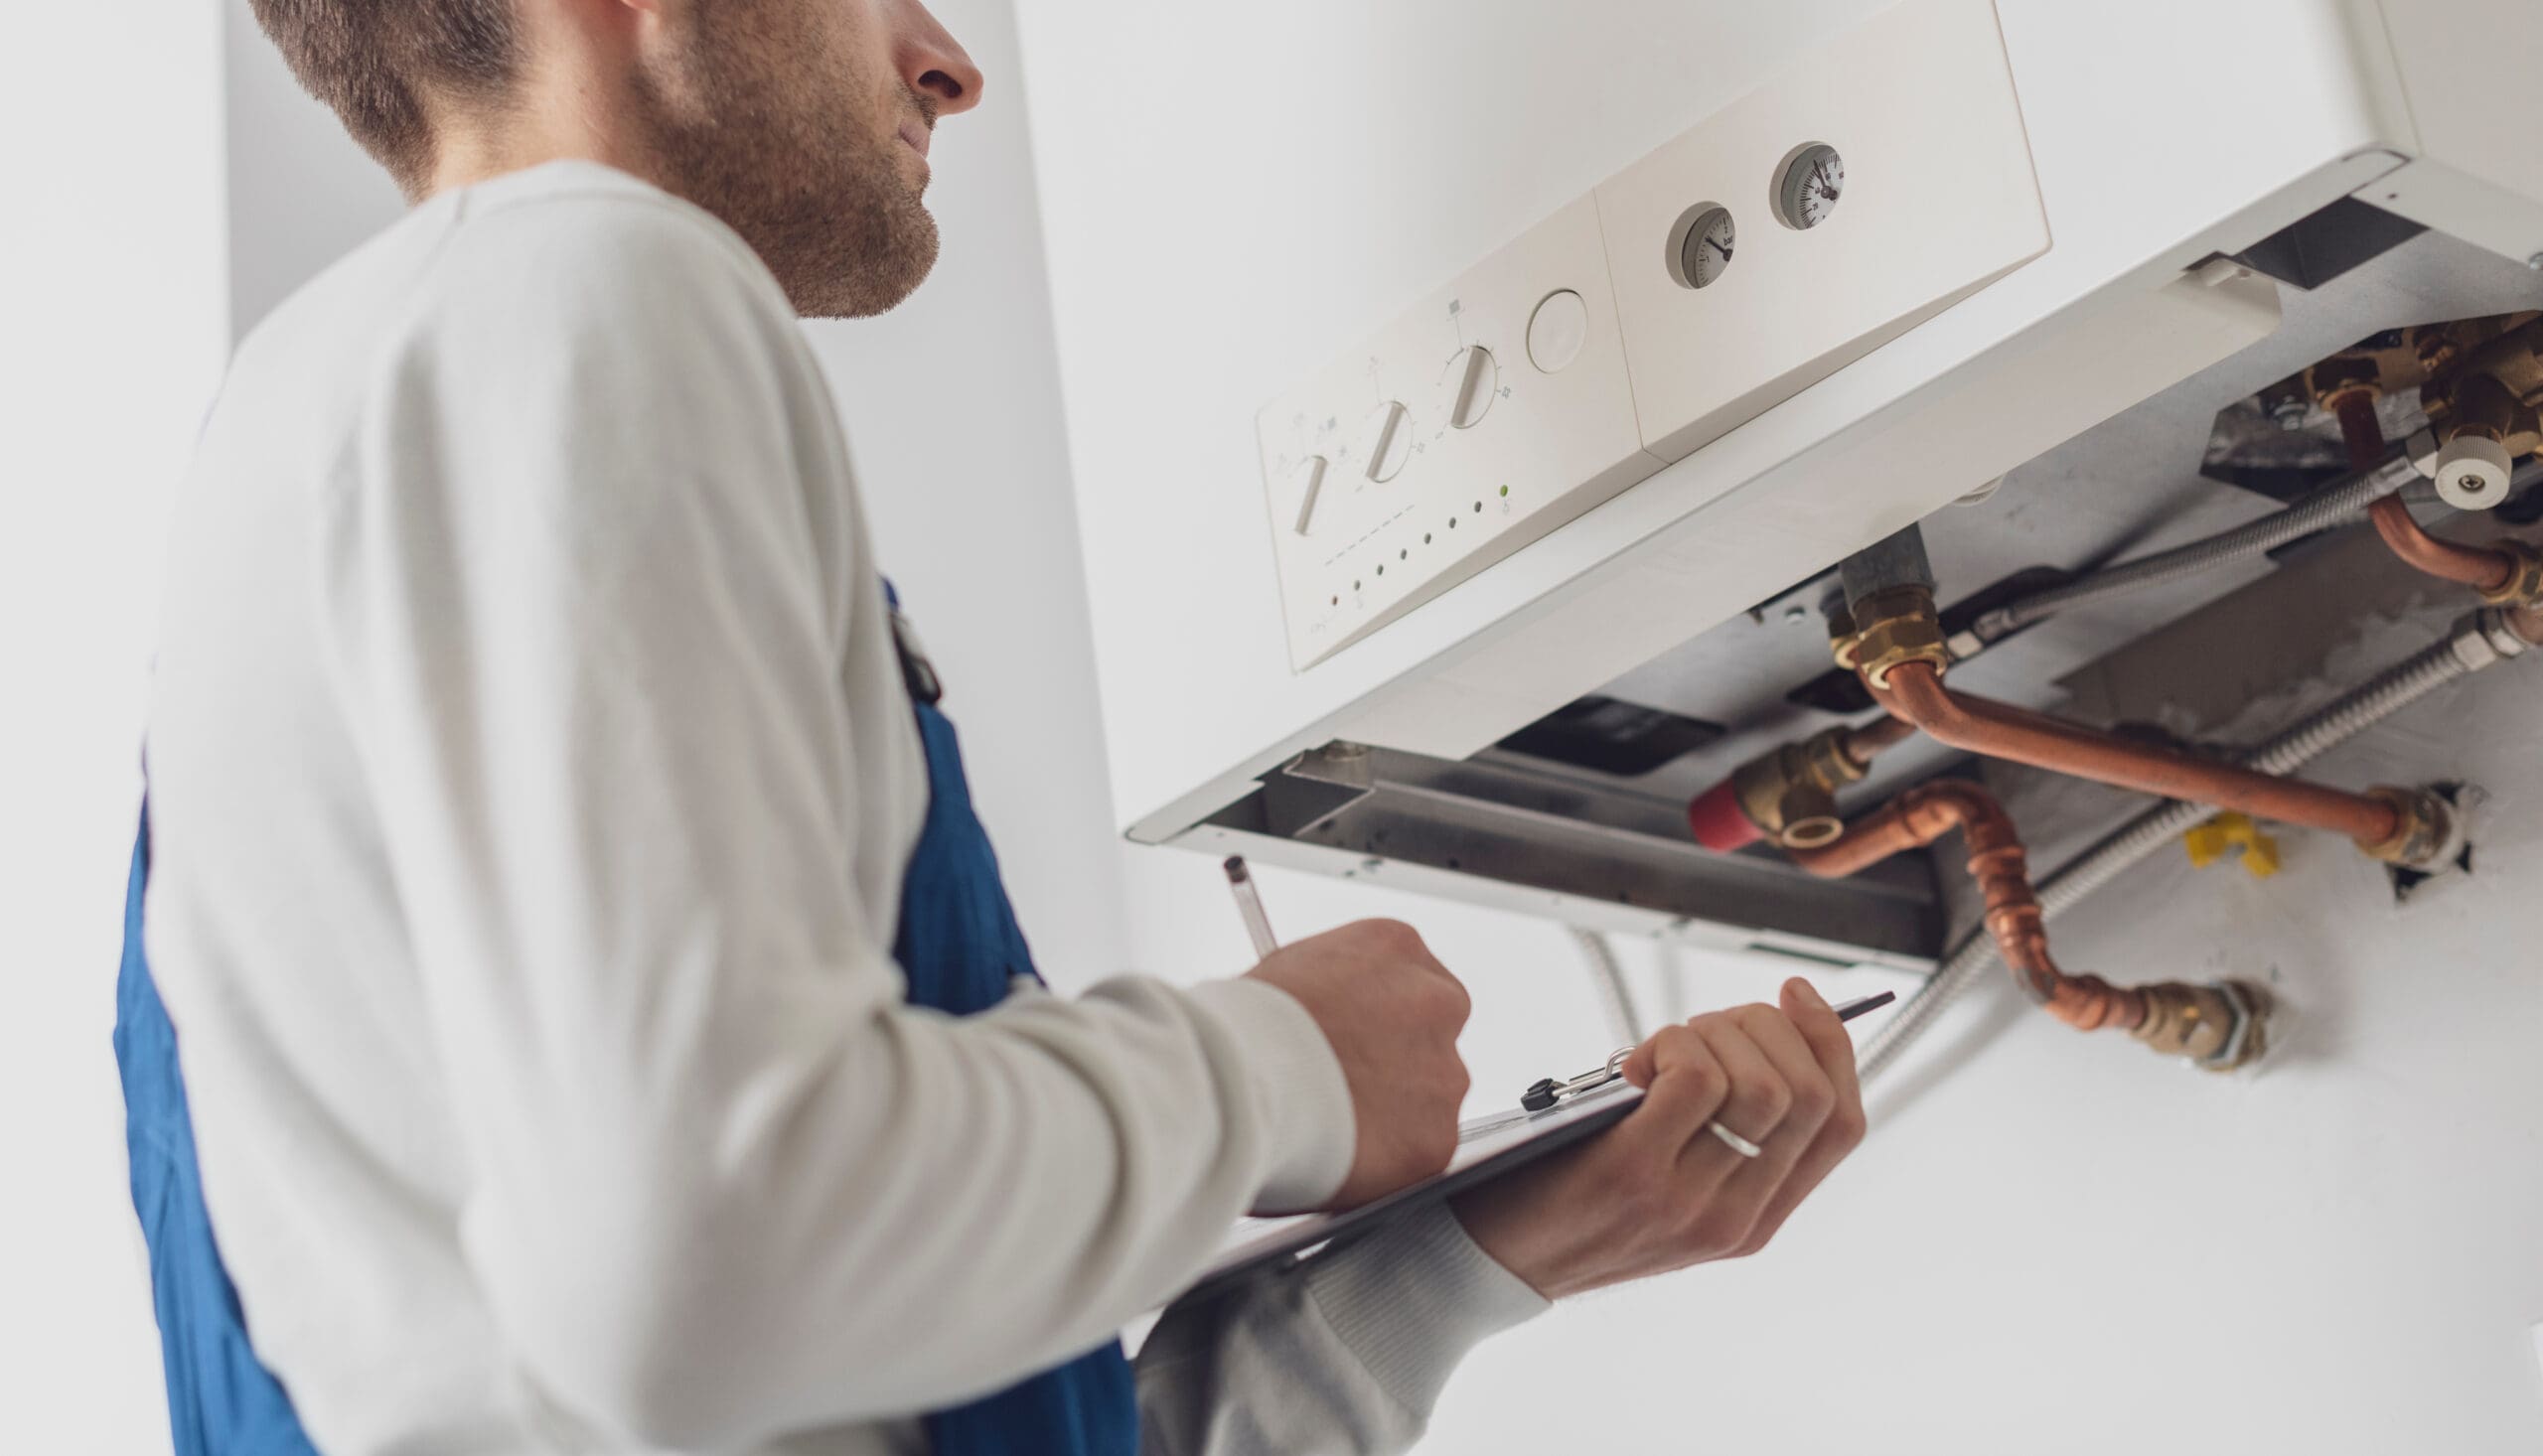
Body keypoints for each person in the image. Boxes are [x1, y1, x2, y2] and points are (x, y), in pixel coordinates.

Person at [116, 0, 1870, 1452]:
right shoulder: (580, 287)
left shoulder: (308, 493)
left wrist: (1472, 1257)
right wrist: (1276, 1074)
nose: (949, 58)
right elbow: (701, 1262)